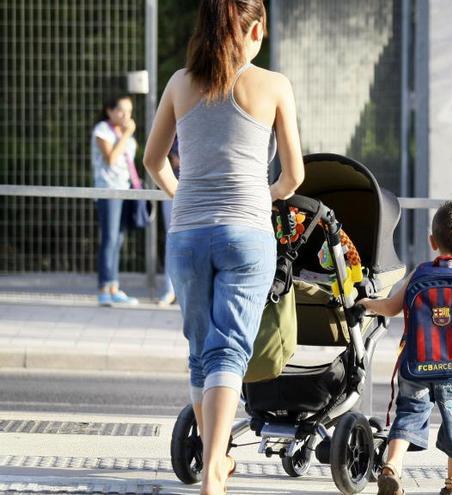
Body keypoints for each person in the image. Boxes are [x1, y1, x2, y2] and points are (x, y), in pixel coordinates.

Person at [142, 1, 305, 494]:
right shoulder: (273, 85)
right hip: (246, 234)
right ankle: (216, 467)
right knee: (230, 351)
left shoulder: (178, 82)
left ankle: (218, 457)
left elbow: (153, 161)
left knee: (201, 349)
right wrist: (264, 196)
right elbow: (294, 176)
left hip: (187, 234)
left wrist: (185, 196)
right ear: (255, 29)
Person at [359, 199, 452, 495]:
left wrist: (365, 303)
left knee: (409, 413)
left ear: (432, 241)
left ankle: (392, 467)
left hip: (417, 364)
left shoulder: (420, 272)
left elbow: (390, 307)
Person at [91, 94, 139, 307]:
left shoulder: (126, 135)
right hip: (108, 191)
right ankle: (104, 288)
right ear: (110, 111)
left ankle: (114, 287)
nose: (126, 115)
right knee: (109, 238)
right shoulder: (102, 130)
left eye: (129, 111)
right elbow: (110, 159)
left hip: (125, 190)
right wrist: (126, 134)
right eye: (121, 110)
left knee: (118, 239)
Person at [158, 137, 181, 307]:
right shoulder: (172, 122)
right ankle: (170, 290)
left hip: (203, 188)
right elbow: (156, 157)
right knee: (172, 237)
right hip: (175, 187)